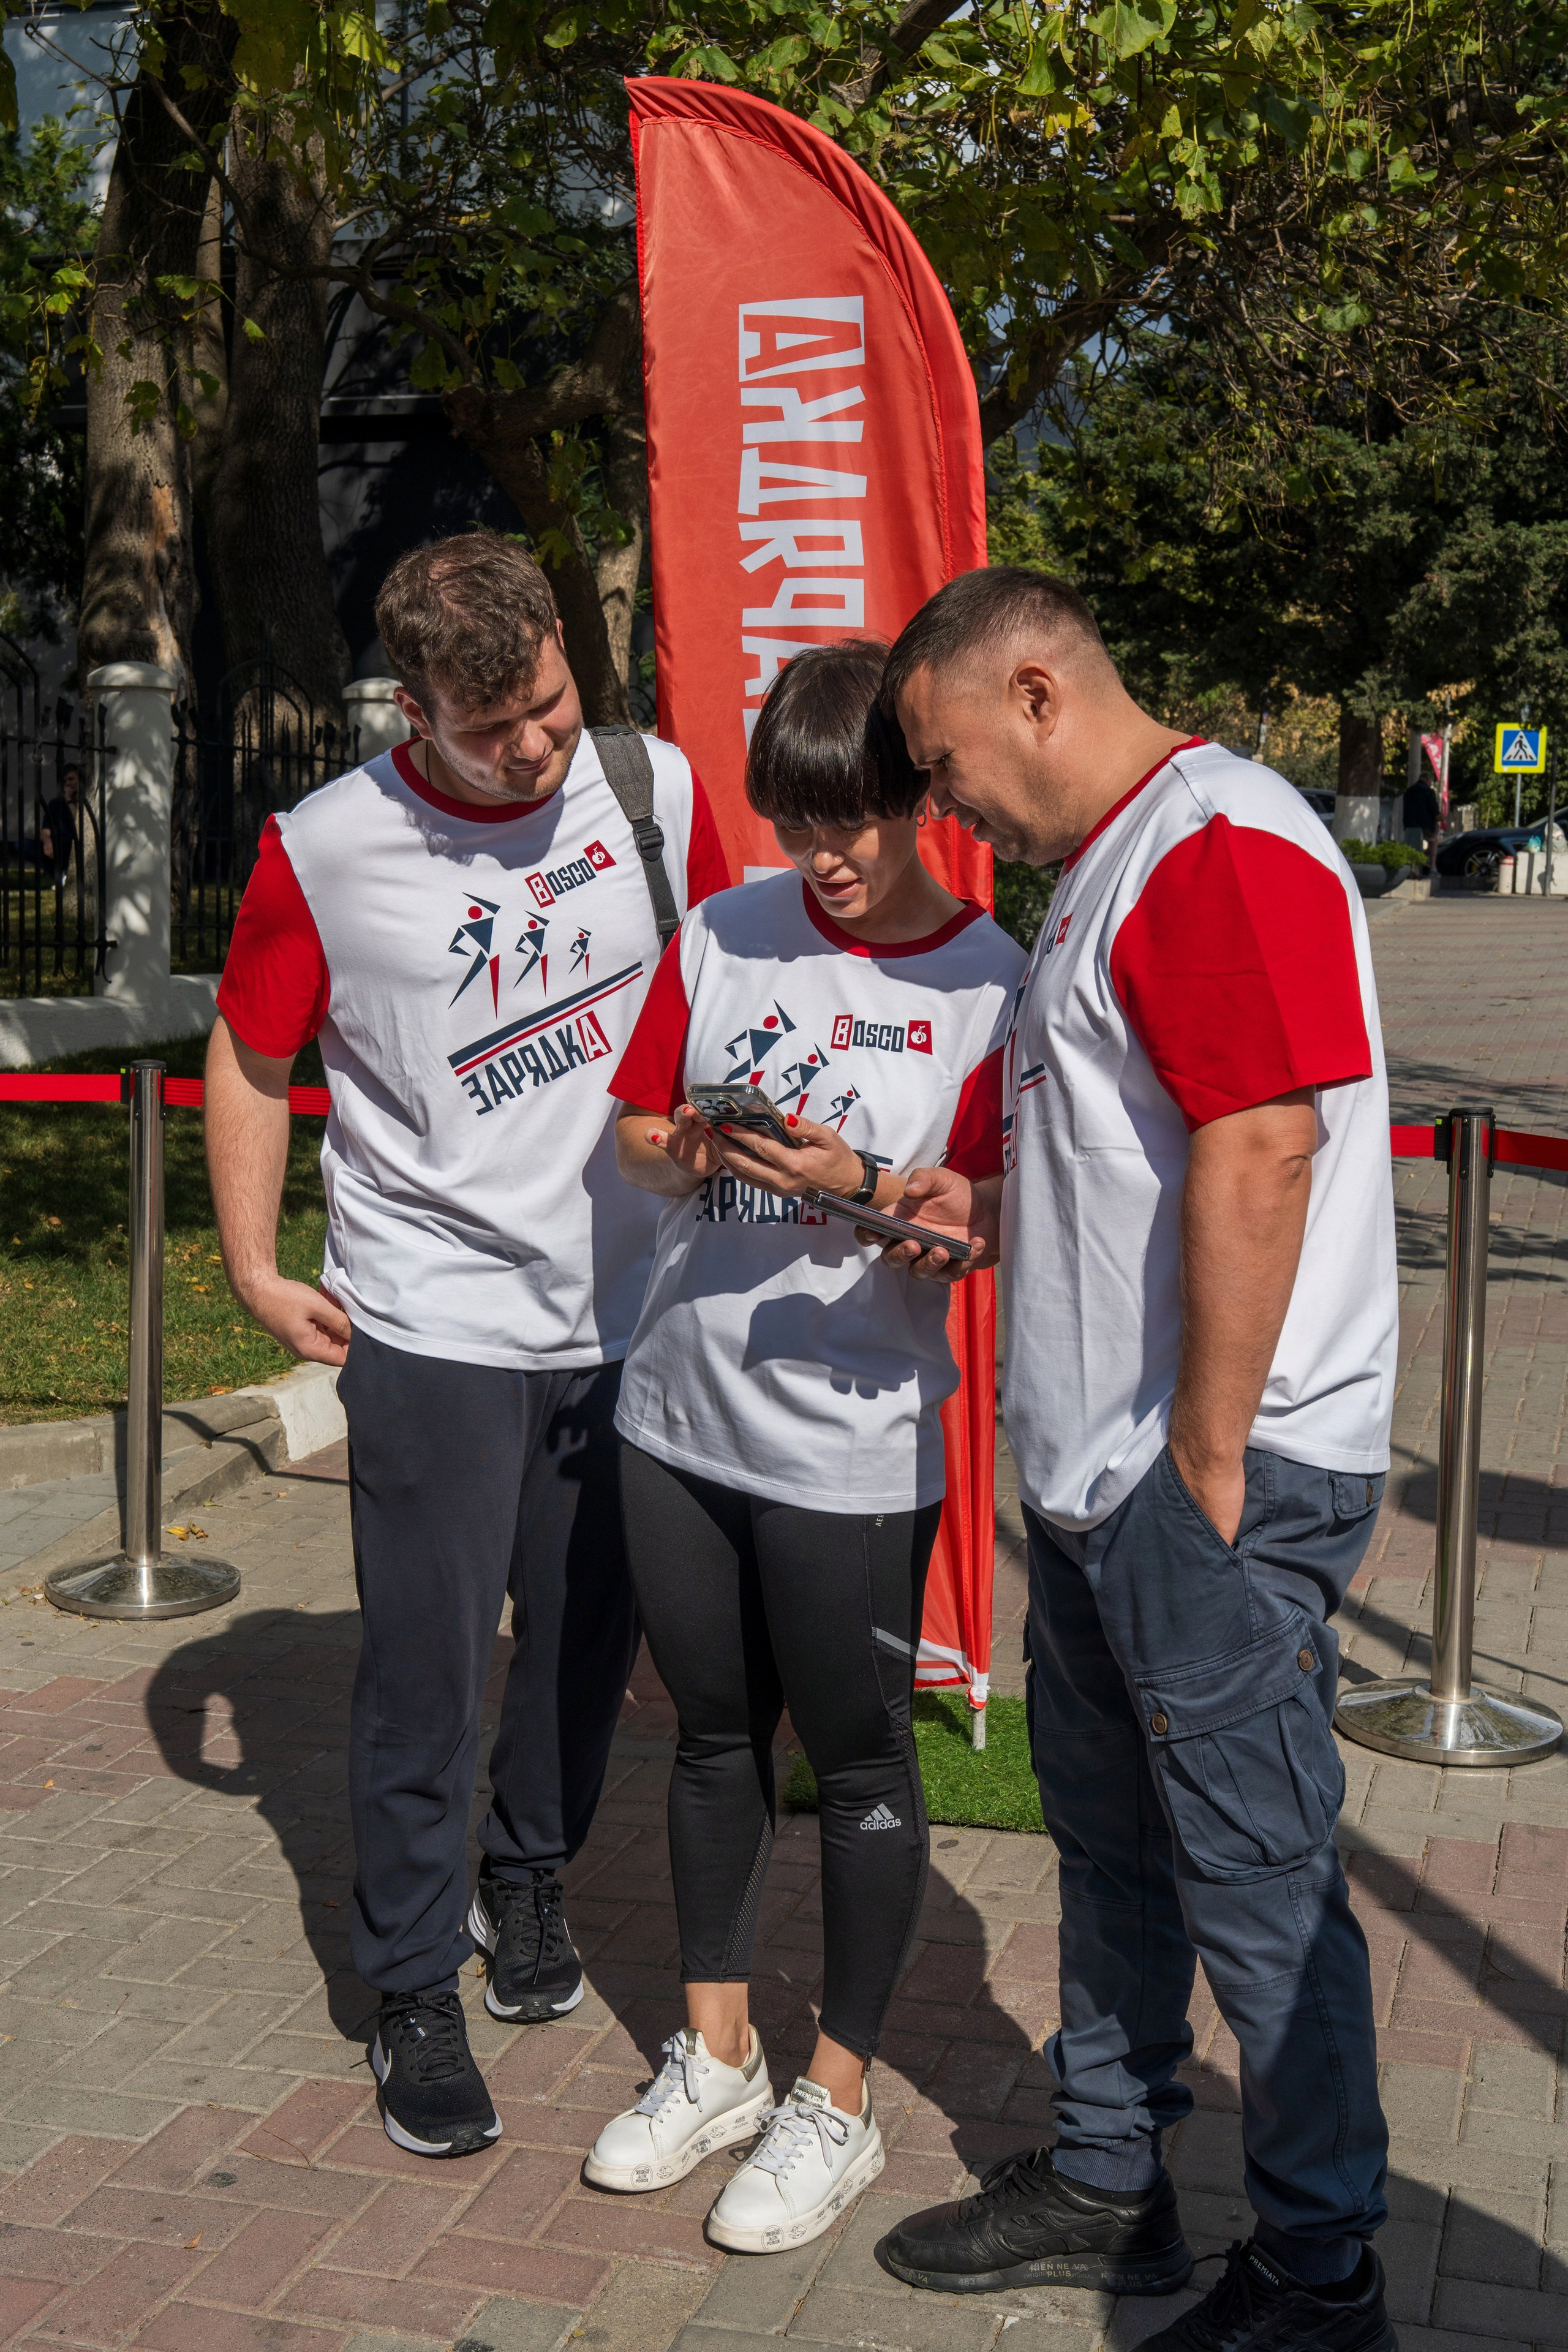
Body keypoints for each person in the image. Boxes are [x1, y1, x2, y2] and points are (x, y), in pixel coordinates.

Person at [869, 569, 1399, 2352]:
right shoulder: (1111, 870)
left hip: (1198, 1480)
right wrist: (991, 1203)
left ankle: (1321, 2273)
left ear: (1033, 689)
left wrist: (1205, 1448)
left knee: (1260, 1894)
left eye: (947, 763)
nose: (947, 809)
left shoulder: (1210, 840)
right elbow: (1155, 1162)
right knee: (1115, 1859)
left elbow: (1262, 1143)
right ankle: (1110, 2174)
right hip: (1111, 1484)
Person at [205, 531, 729, 2160]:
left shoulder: (655, 790)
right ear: (413, 701)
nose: (535, 746)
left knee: (584, 1643)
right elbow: (248, 1044)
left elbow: (728, 985)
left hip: (627, 1309)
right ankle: (413, 1978)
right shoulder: (329, 846)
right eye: (493, 723)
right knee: (426, 1673)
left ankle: (531, 1874)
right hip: (427, 1311)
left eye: (554, 706)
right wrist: (248, 1265)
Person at [586, 641, 1024, 2252]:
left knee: (854, 1765)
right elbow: (632, 1142)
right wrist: (682, 1144)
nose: (821, 859)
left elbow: (985, 1228)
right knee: (710, 1737)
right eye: (793, 826)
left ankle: (830, 2100)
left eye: (848, 824)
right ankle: (713, 2053)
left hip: (853, 1438)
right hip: (680, 1412)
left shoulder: (990, 977)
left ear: (916, 802)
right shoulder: (719, 932)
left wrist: (868, 1186)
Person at [40, 766, 80, 889]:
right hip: (57, 845)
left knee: (68, 840)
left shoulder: (84, 802)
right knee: (22, 845)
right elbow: (45, 831)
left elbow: (75, 821)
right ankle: (59, 875)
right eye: (65, 781)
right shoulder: (55, 804)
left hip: (73, 843)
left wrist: (68, 798)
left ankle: (64, 874)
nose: (68, 784)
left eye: (71, 779)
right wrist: (47, 842)